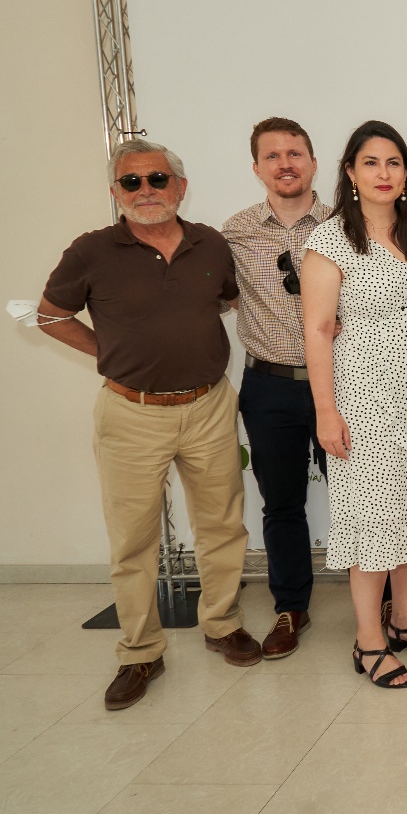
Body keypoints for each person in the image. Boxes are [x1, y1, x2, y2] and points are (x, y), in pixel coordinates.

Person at [37, 139, 261, 710]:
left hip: (209, 405)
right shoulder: (90, 251)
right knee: (133, 539)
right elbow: (49, 315)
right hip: (130, 414)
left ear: (179, 187)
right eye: (130, 182)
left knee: (222, 524)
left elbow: (226, 301)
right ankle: (140, 651)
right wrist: (108, 352)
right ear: (115, 192)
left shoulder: (212, 243)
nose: (145, 191)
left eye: (157, 179)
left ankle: (222, 624)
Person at [302, 120, 407, 689]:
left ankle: (406, 621)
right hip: (362, 398)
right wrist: (326, 411)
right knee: (373, 517)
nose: (383, 173)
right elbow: (318, 330)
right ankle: (368, 640)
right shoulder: (330, 240)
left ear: (406, 173)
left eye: (394, 163)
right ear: (350, 172)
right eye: (370, 162)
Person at [222, 117, 330, 659]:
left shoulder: (344, 225)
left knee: (363, 494)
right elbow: (214, 298)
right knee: (281, 504)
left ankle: (384, 601)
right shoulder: (234, 233)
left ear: (313, 162)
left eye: (294, 153)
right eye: (273, 155)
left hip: (342, 384)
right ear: (257, 167)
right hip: (269, 386)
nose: (285, 164)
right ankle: (291, 607)